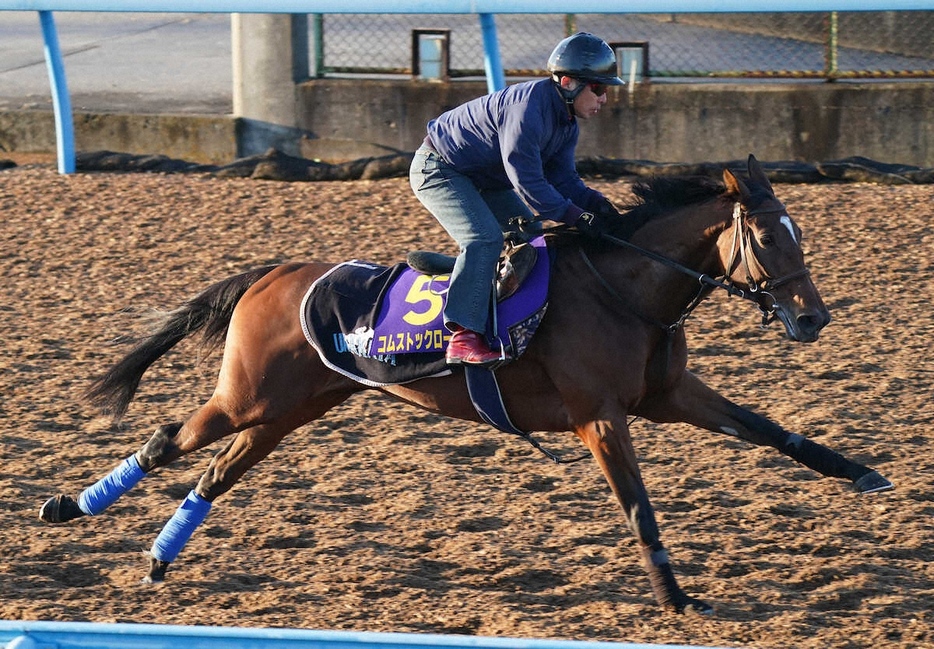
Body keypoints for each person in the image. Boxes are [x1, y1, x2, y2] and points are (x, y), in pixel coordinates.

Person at [410, 32, 625, 366]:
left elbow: (565, 180)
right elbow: (527, 181)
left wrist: (600, 208)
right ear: (568, 83)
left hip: (485, 177)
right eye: (598, 88)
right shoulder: (528, 109)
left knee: (533, 241)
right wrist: (576, 217)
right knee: (484, 239)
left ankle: (470, 278)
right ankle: (464, 337)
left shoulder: (567, 123)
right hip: (440, 169)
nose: (605, 98)